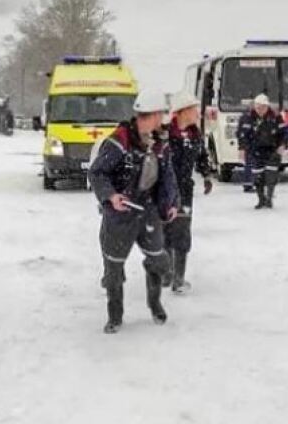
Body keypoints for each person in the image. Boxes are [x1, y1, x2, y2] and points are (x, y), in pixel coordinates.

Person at [89, 91, 179, 334]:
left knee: (159, 260)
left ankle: (154, 301)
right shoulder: (119, 142)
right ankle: (115, 315)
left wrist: (171, 203)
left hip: (148, 212)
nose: (162, 120)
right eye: (160, 115)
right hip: (120, 215)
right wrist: (111, 196)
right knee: (114, 268)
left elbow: (167, 178)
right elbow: (97, 173)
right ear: (147, 117)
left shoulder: (160, 144)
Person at [163, 92, 213, 294]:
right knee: (165, 231)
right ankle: (166, 272)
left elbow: (202, 157)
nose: (198, 114)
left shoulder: (195, 134)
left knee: (182, 233)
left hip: (185, 190)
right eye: (194, 110)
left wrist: (207, 175)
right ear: (182, 112)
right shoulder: (165, 134)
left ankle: (178, 278)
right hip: (164, 191)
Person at [236, 94, 288, 210]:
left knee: (271, 176)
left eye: (263, 107)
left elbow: (284, 133)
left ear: (267, 107)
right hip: (255, 150)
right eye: (258, 107)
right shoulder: (246, 118)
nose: (260, 110)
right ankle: (261, 199)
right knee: (258, 177)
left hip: (272, 150)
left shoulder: (276, 117)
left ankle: (269, 198)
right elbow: (241, 135)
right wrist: (242, 148)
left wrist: (283, 145)